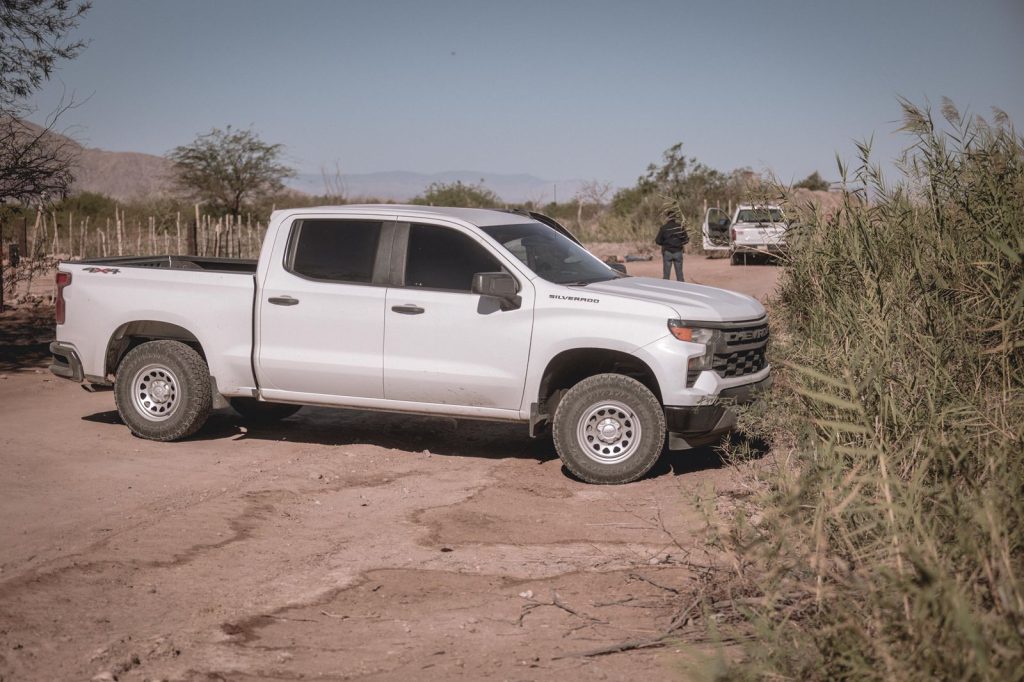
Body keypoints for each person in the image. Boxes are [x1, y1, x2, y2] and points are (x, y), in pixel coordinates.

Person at [655, 215, 688, 281]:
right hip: (678, 252)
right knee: (680, 275)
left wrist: (664, 244)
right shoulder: (680, 227)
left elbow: (657, 240)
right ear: (675, 218)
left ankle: (666, 289)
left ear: (667, 218)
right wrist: (680, 244)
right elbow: (686, 240)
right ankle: (682, 289)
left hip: (667, 252)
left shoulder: (664, 228)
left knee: (666, 276)